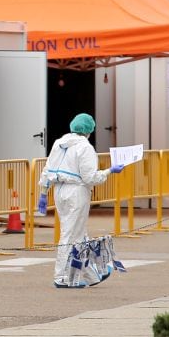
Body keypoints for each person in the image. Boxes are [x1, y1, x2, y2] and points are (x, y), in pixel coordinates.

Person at [38, 113, 125, 288]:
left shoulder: (59, 143)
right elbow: (90, 177)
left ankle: (91, 274)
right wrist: (109, 171)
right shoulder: (85, 148)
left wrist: (43, 192)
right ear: (89, 130)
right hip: (76, 192)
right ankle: (61, 277)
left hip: (59, 190)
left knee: (78, 233)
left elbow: (47, 169)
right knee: (70, 235)